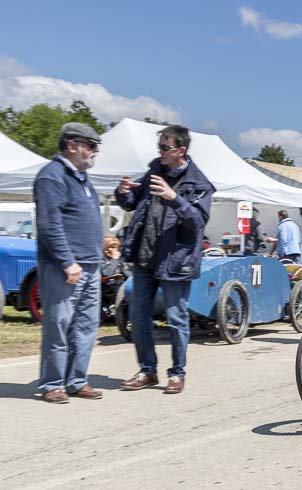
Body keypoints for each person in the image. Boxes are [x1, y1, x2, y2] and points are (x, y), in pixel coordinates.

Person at [115, 125, 215, 394]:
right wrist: (124, 191)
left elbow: (197, 222)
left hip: (175, 260)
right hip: (145, 258)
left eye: (165, 147)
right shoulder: (155, 171)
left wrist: (174, 198)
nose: (159, 152)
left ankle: (177, 373)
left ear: (181, 150)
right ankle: (148, 371)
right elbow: (131, 202)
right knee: (138, 316)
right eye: (159, 146)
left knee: (176, 318)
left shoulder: (199, 183)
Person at [34, 122, 105, 403]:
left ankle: (77, 380)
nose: (95, 152)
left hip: (89, 265)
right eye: (90, 145)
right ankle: (52, 384)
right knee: (58, 325)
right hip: (65, 267)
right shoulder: (52, 177)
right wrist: (67, 262)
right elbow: (49, 225)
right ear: (72, 145)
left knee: (86, 326)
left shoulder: (82, 179)